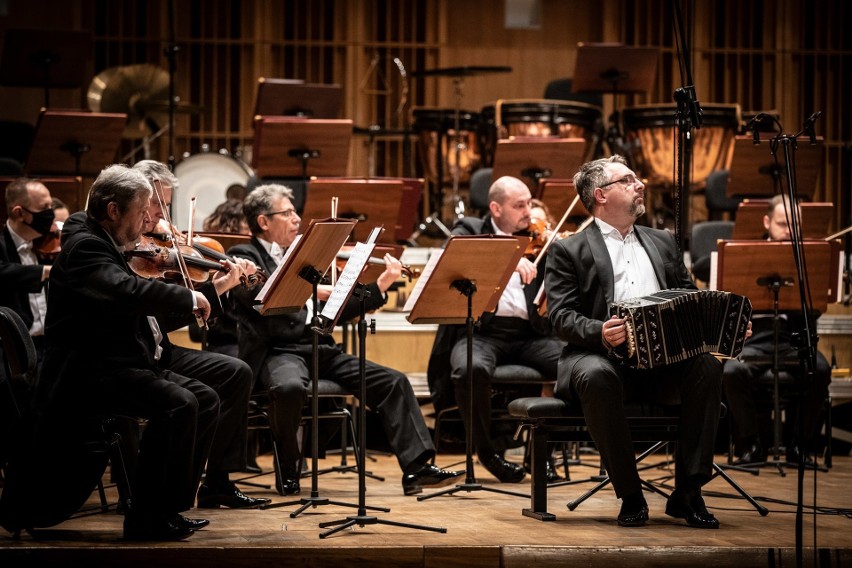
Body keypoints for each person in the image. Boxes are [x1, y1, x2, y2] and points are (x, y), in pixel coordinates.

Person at [19, 165, 222, 540]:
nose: (150, 219)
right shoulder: (85, 246)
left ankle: (167, 507)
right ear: (113, 211)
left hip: (122, 361)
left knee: (205, 398)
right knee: (179, 403)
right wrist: (187, 294)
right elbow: (127, 292)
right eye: (143, 210)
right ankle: (144, 516)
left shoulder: (105, 238)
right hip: (89, 371)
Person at [228, 183, 462, 496]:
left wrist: (382, 284)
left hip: (321, 348)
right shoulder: (244, 256)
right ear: (263, 222)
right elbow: (257, 300)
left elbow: (336, 309)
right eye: (287, 213)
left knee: (393, 381)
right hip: (279, 351)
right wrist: (301, 278)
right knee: (289, 387)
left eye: (295, 211)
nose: (297, 218)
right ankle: (289, 466)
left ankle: (418, 467)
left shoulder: (303, 257)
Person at [545, 155, 729, 529]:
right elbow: (560, 317)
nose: (639, 184)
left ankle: (688, 493)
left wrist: (723, 326)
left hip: (662, 362)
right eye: (627, 180)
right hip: (600, 356)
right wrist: (600, 331)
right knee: (597, 375)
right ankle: (630, 494)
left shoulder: (662, 242)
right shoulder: (569, 249)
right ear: (600, 195)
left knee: (708, 364)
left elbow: (690, 297)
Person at [126, 159, 269, 508]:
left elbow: (169, 322)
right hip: (134, 353)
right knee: (196, 396)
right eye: (156, 205)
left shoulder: (160, 244)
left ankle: (216, 480)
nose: (162, 217)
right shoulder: (124, 249)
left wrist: (218, 286)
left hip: (160, 346)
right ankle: (162, 492)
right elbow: (148, 311)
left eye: (166, 205)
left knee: (236, 372)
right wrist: (205, 292)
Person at [427, 176, 564, 484]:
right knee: (468, 368)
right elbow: (454, 253)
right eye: (519, 205)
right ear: (496, 208)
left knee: (574, 366)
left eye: (530, 203)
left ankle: (541, 453)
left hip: (530, 334)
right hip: (482, 333)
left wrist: (563, 252)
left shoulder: (539, 239)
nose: (528, 212)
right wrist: (507, 259)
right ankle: (487, 454)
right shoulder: (472, 229)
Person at [722, 194, 832, 466]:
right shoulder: (747, 255)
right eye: (783, 224)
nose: (789, 231)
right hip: (755, 338)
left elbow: (819, 305)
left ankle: (800, 446)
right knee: (732, 371)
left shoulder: (811, 255)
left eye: (796, 225)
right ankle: (751, 444)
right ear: (767, 221)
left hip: (792, 338)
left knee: (820, 369)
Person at [0, 178, 55, 366]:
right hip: (14, 350)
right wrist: (46, 271)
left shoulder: (48, 244)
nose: (51, 214)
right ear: (19, 213)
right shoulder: (2, 244)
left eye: (51, 206)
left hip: (50, 347)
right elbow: (4, 272)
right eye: (44, 207)